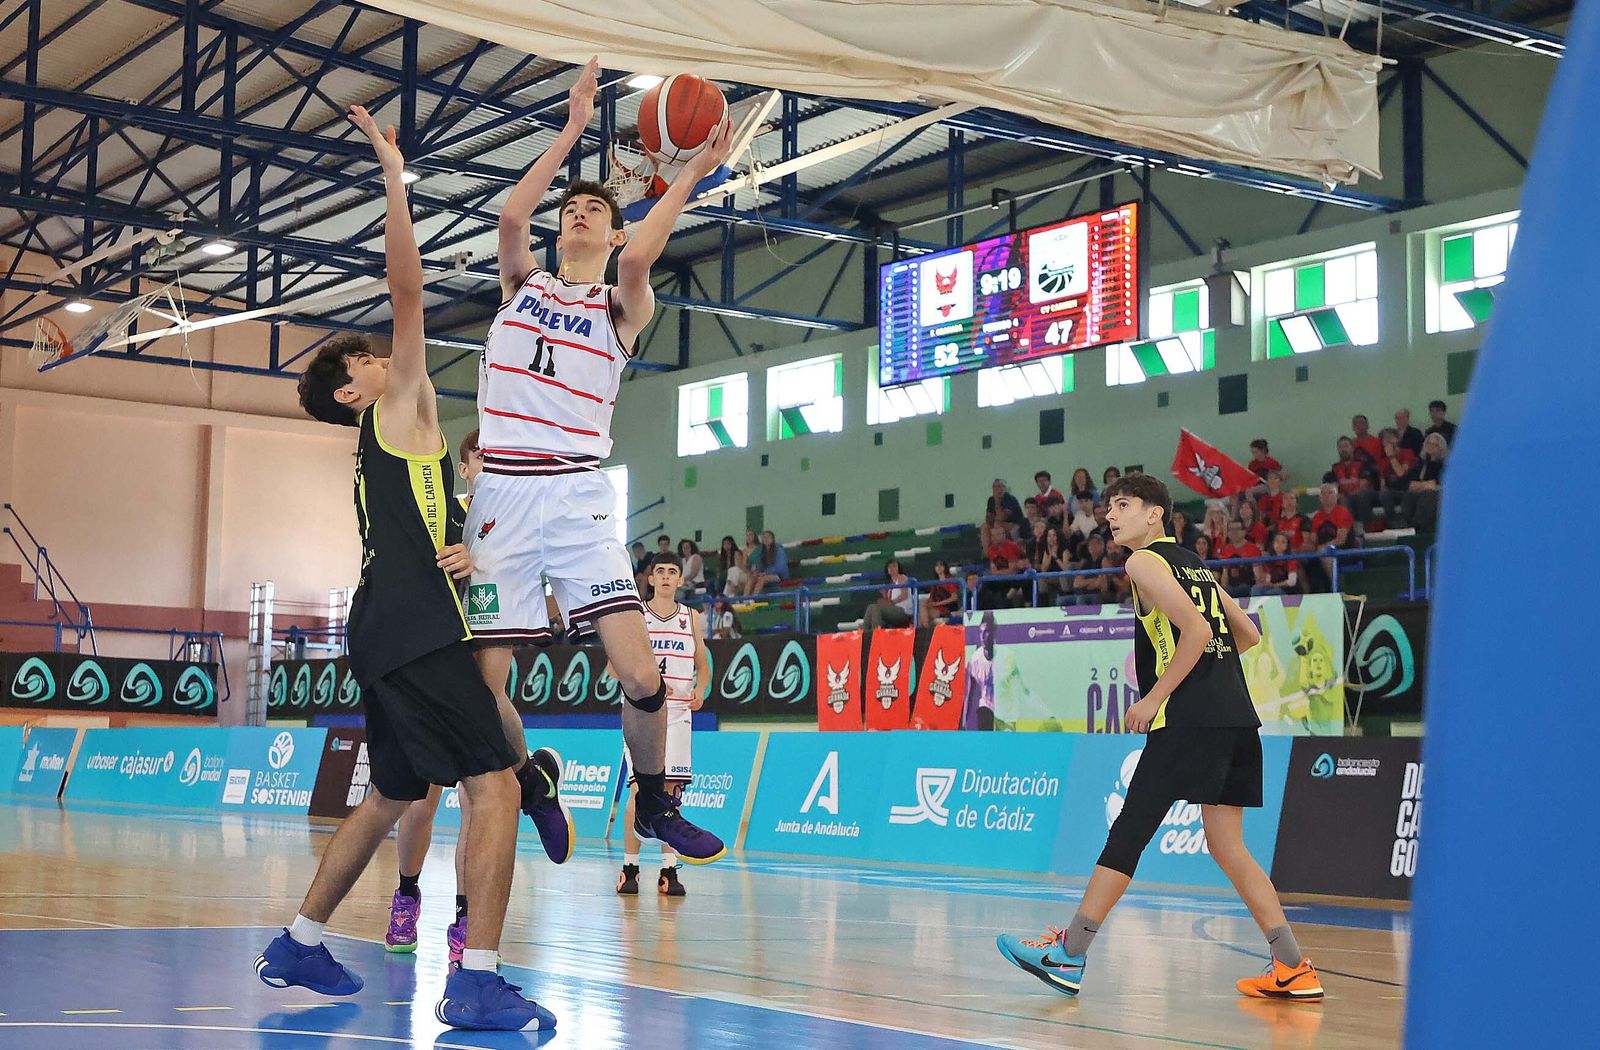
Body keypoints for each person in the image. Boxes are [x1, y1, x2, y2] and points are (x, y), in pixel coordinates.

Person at [265, 107, 566, 1031]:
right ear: (354, 390)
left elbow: (425, 522)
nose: (381, 353)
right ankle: (477, 976)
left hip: (387, 620)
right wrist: (395, 181)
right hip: (414, 625)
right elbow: (407, 290)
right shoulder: (393, 408)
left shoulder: (388, 442)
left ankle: (301, 941)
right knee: (495, 785)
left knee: (394, 791)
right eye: (361, 359)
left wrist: (466, 540)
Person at [467, 57, 728, 868]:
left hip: (578, 495)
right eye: (570, 208)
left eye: (594, 210)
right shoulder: (522, 285)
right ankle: (531, 783)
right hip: (503, 492)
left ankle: (654, 803)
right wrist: (572, 132)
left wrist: (684, 177)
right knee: (482, 690)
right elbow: (512, 219)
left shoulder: (620, 304)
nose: (578, 214)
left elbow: (642, 259)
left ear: (613, 232)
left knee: (643, 674)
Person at [996, 475, 1322, 1002]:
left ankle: (1069, 955)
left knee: (1128, 834)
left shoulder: (1143, 562)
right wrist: (1209, 680)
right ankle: (1292, 966)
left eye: (1122, 505)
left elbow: (1194, 632)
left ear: (1155, 515)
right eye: (1108, 508)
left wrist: (1155, 698)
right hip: (1237, 720)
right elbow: (1248, 634)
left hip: (1187, 723)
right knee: (1228, 845)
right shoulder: (1195, 564)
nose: (1110, 516)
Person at [613, 553, 709, 897]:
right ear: (650, 578)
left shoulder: (692, 618)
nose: (667, 577)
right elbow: (615, 667)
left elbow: (703, 661)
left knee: (671, 797)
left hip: (681, 714)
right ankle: (630, 868)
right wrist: (650, 681)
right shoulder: (636, 614)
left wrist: (702, 686)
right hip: (645, 712)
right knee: (640, 789)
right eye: (661, 572)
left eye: (673, 572)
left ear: (681, 580)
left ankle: (669, 871)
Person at [1388, 432, 1448, 530]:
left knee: (1427, 494)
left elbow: (1435, 484)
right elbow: (1408, 481)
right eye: (1429, 443)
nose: (1430, 446)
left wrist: (1420, 485)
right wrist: (1423, 484)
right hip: (1420, 492)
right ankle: (1405, 524)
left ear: (1440, 447)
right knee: (1409, 494)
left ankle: (1417, 525)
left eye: (1434, 444)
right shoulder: (1421, 464)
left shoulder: (1444, 464)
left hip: (1437, 494)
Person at [1324, 437, 1377, 525]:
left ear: (1352, 448)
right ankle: (1349, 531)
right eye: (1340, 447)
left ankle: (1364, 528)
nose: (1343, 449)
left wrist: (1346, 495)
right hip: (1345, 498)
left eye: (1346, 446)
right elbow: (1334, 489)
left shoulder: (1362, 465)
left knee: (1360, 496)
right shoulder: (1335, 468)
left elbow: (1363, 486)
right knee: (1341, 500)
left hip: (1361, 496)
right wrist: (1339, 495)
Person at [1375, 428, 1418, 527]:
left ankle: (1406, 525)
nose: (1388, 440)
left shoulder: (1407, 452)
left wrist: (1391, 457)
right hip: (1392, 491)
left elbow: (1401, 473)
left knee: (1408, 495)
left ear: (1397, 439)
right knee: (1384, 494)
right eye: (1384, 439)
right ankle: (1392, 523)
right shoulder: (1382, 462)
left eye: (1390, 437)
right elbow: (1383, 483)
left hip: (1407, 488)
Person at [964, 612, 997, 731]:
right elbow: (969, 693)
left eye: (987, 631)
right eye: (980, 632)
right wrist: (964, 721)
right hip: (986, 708)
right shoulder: (974, 660)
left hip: (1003, 708)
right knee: (983, 712)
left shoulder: (1005, 657)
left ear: (993, 632)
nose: (983, 636)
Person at [863, 558, 916, 629]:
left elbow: (904, 595)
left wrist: (891, 602)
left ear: (898, 568)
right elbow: (889, 604)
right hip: (894, 610)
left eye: (894, 566)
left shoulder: (901, 578)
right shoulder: (890, 585)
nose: (892, 568)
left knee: (876, 608)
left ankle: (876, 633)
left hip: (903, 610)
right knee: (871, 607)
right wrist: (884, 595)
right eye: (889, 567)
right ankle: (865, 633)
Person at [1217, 520, 1262, 598]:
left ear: (1244, 531)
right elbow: (1225, 573)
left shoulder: (1253, 549)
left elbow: (1258, 576)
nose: (1234, 532)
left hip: (1248, 586)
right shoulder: (1226, 549)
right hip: (1230, 586)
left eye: (1237, 529)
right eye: (1231, 529)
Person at [1251, 531, 1300, 596]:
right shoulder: (1269, 559)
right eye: (1277, 541)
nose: (1279, 544)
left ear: (1287, 545)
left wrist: (1274, 585)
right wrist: (1265, 581)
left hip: (1287, 589)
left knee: (1272, 593)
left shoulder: (1291, 559)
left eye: (1283, 542)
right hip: (1273, 586)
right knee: (1256, 589)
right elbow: (1268, 576)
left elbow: (1292, 582)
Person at [1068, 534, 1111, 606]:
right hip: (1084, 593)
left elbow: (1100, 584)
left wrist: (1085, 583)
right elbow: (1076, 583)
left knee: (1081, 599)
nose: (1092, 546)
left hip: (1097, 594)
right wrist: (1092, 581)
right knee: (1061, 600)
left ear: (1102, 546)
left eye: (1095, 544)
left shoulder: (1104, 560)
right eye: (1090, 544)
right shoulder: (1087, 561)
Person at [982, 478, 1025, 550]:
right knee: (985, 526)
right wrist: (992, 518)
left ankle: (1003, 551)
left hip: (1016, 525)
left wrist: (997, 502)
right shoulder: (991, 500)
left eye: (999, 486)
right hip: (1000, 524)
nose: (996, 489)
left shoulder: (1010, 499)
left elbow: (1002, 517)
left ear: (1004, 488)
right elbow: (988, 519)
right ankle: (987, 554)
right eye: (994, 487)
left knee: (997, 525)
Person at [1035, 527, 1071, 607]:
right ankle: (1043, 607)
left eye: (1054, 535)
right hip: (1051, 576)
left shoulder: (1064, 550)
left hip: (1063, 577)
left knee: (1062, 577)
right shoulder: (1047, 551)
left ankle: (1064, 601)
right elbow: (1043, 569)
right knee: (1041, 579)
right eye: (1049, 536)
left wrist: (1056, 557)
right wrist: (1050, 555)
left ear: (1058, 537)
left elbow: (1065, 569)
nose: (1051, 538)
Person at [745, 530, 789, 595]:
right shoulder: (762, 552)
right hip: (766, 574)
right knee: (752, 578)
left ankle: (753, 598)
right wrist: (757, 572)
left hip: (779, 576)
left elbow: (780, 568)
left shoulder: (778, 550)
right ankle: (744, 599)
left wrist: (766, 573)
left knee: (762, 579)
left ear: (772, 539)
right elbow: (760, 566)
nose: (765, 539)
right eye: (764, 537)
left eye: (768, 537)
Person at [920, 559, 961, 627]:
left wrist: (937, 603)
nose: (939, 567)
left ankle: (925, 630)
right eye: (937, 566)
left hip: (947, 608)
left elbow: (954, 598)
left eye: (941, 565)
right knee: (922, 606)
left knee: (923, 614)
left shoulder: (950, 580)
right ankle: (925, 629)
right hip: (937, 607)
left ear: (945, 567)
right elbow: (931, 599)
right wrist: (930, 604)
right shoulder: (935, 583)